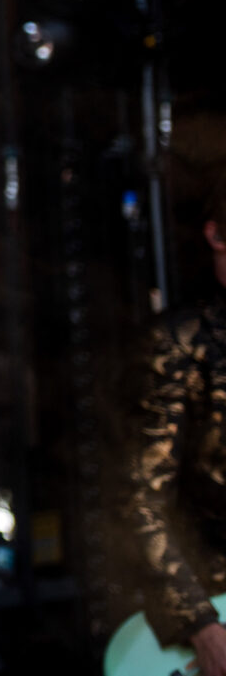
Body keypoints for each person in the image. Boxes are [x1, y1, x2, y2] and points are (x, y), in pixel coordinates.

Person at [128, 175, 226, 673]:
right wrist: (200, 623)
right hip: (213, 612)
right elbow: (140, 497)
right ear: (216, 235)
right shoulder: (181, 342)